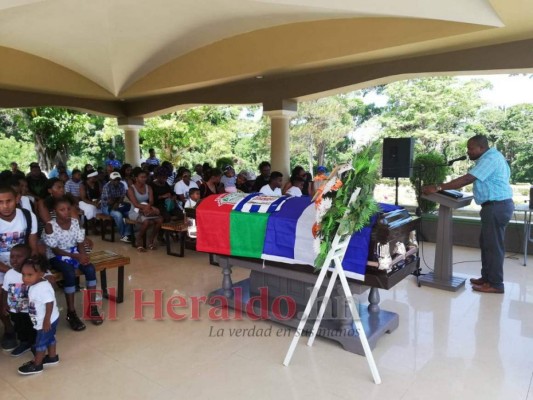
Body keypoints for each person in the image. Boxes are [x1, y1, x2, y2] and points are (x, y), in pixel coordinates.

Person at [422, 135, 514, 294]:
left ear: (481, 148)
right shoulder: (491, 157)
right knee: (486, 244)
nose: (468, 152)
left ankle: (496, 284)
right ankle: (486, 278)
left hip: (496, 207)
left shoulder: (490, 159)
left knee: (493, 247)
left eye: (471, 148)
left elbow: (468, 178)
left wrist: (438, 188)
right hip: (494, 206)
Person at [43, 197, 103, 330]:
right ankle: (71, 313)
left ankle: (92, 308)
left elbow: (80, 242)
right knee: (69, 272)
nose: (66, 212)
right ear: (55, 211)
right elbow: (55, 249)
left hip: (74, 253)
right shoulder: (50, 226)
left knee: (90, 268)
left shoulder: (75, 222)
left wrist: (83, 256)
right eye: (62, 209)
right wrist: (75, 256)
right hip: (57, 256)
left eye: (68, 209)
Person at [0, 186, 38, 351]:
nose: (5, 206)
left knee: (36, 285)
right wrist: (8, 271)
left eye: (8, 201)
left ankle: (31, 326)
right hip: (3, 266)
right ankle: (8, 327)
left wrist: (26, 269)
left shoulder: (28, 217)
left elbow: (33, 247)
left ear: (17, 198)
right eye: (0, 202)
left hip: (24, 263)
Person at [18, 258, 60, 375]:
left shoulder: (43, 288)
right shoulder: (34, 284)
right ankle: (52, 357)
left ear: (41, 273)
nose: (25, 278)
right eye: (23, 274)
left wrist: (46, 321)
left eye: (29, 275)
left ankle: (37, 364)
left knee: (40, 343)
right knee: (50, 338)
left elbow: (49, 303)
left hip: (46, 321)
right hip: (47, 320)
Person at [2, 244, 35, 356]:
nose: (14, 260)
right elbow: (5, 290)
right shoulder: (9, 274)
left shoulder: (32, 273)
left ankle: (35, 344)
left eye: (19, 256)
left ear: (29, 258)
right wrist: (4, 304)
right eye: (12, 257)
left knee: (33, 327)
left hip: (31, 309)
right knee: (20, 327)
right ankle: (24, 343)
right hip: (16, 309)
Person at [127, 168, 163, 251]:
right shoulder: (131, 189)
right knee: (147, 222)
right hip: (134, 211)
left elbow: (151, 201)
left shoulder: (148, 187)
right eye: (141, 177)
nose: (144, 179)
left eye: (145, 177)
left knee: (160, 220)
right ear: (136, 178)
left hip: (147, 209)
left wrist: (149, 206)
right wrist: (148, 207)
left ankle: (151, 240)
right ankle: (138, 240)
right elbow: (135, 204)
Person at [100, 172, 132, 243]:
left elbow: (122, 196)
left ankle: (127, 234)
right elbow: (109, 201)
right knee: (118, 215)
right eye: (114, 180)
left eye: (118, 179)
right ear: (110, 179)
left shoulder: (121, 185)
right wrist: (117, 201)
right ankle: (123, 235)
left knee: (129, 213)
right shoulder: (106, 186)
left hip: (117, 205)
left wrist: (117, 202)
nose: (117, 181)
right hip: (106, 207)